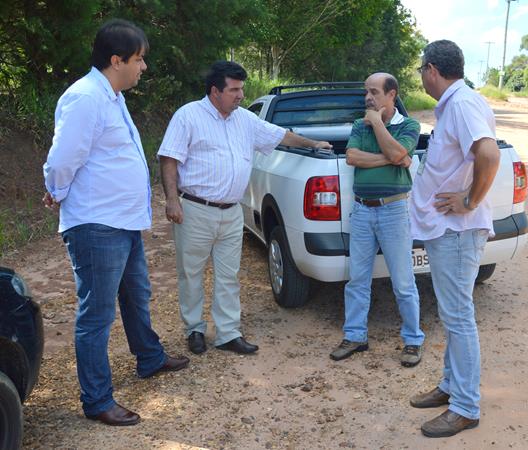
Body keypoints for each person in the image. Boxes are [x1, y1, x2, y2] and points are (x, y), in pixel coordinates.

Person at [42, 19, 189, 427]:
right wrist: (54, 188)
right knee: (97, 315)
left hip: (121, 221)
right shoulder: (86, 97)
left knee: (136, 295)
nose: (143, 67)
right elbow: (64, 157)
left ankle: (149, 357)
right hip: (96, 223)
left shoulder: (111, 95)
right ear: (116, 59)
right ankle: (97, 399)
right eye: (139, 59)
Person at [157, 60, 331, 356]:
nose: (240, 96)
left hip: (231, 212)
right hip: (195, 209)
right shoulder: (188, 116)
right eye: (234, 90)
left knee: (228, 274)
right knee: (191, 273)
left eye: (241, 89)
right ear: (215, 92)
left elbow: (280, 135)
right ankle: (194, 330)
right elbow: (169, 159)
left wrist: (313, 143)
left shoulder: (244, 120)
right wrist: (172, 200)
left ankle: (227, 333)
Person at [408, 40, 501, 438]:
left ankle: (465, 406)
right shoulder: (456, 104)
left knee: (459, 317)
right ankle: (450, 386)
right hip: (447, 230)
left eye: (420, 72)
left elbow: (489, 154)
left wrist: (469, 200)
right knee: (451, 314)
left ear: (431, 69)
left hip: (457, 231)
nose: (421, 78)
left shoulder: (462, 104)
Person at [329, 73, 425, 367]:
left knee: (403, 282)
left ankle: (412, 340)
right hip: (361, 210)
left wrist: (379, 126)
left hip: (393, 210)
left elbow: (399, 153)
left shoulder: (409, 125)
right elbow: (352, 158)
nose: (368, 98)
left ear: (391, 95)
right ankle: (355, 335)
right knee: (357, 280)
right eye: (365, 92)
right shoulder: (359, 124)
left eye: (374, 92)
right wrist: (392, 157)